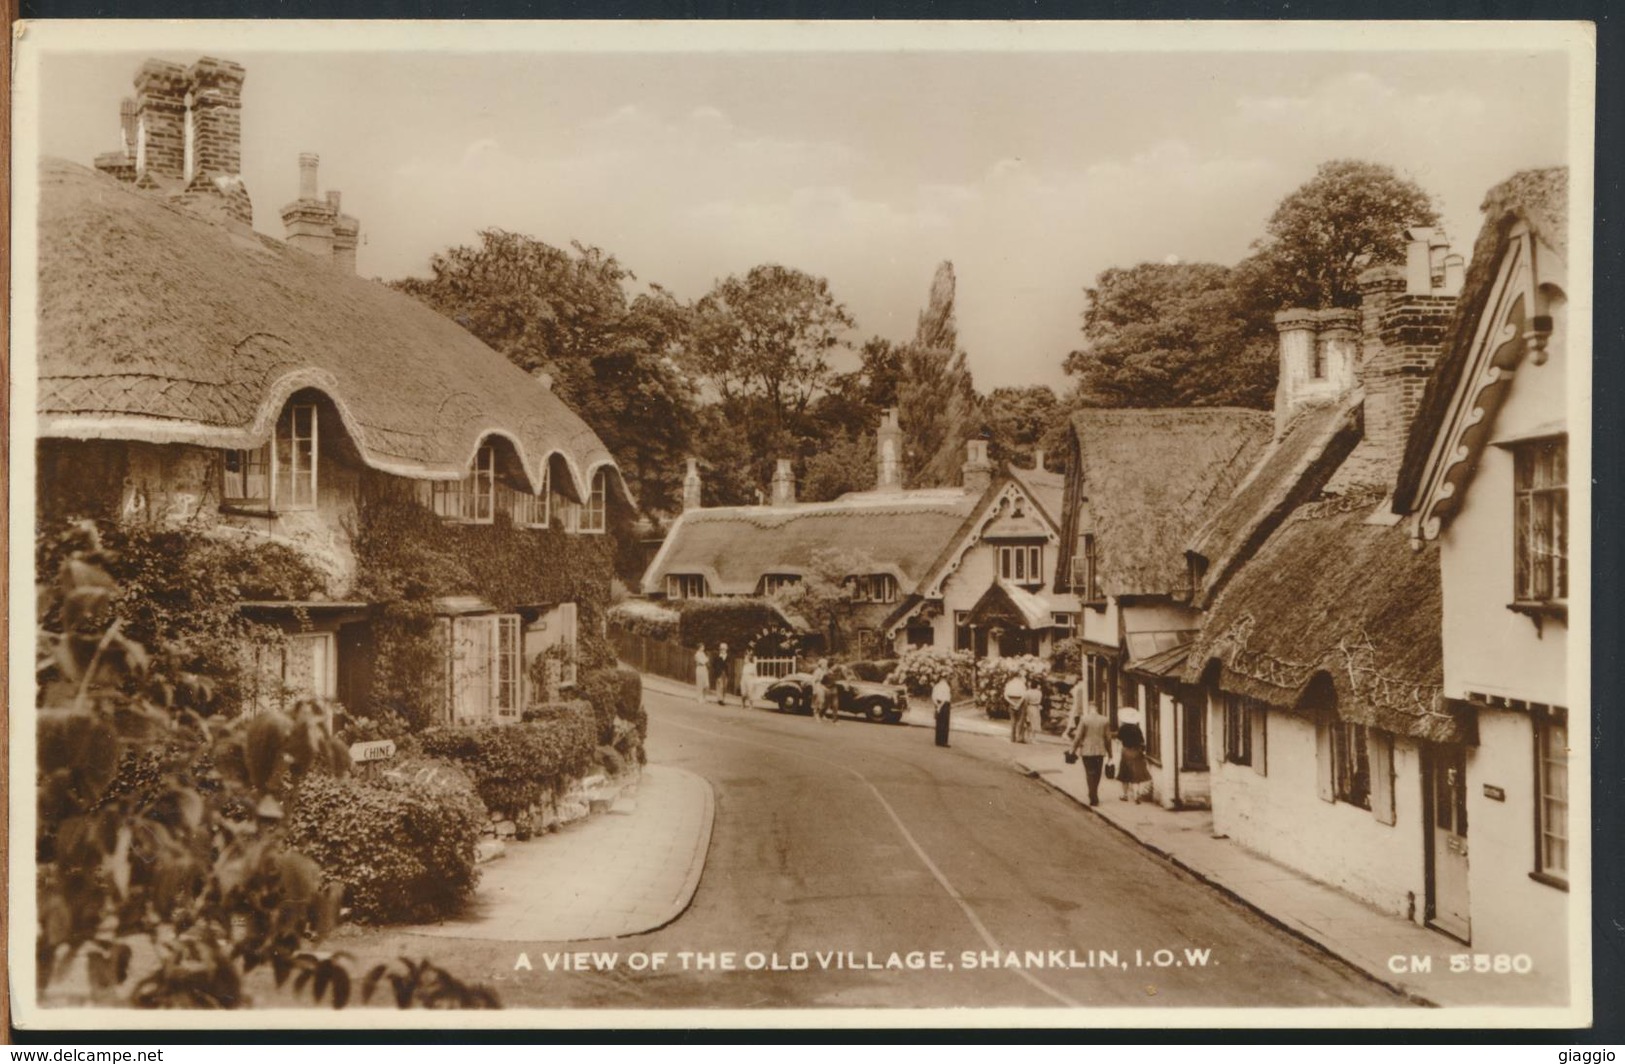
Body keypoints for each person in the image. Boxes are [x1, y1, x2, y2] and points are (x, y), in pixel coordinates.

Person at [1069, 696, 1112, 806]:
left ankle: (1092, 795)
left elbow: (1078, 736)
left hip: (1087, 751)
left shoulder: (1085, 719)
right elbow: (1108, 738)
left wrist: (1072, 750)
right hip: (1100, 751)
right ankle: (1094, 793)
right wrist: (1110, 754)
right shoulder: (1104, 720)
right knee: (1097, 773)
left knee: (1089, 773)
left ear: (1090, 708)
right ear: (1097, 708)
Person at [1114, 707, 1153, 803]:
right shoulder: (1137, 729)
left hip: (1126, 752)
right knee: (1136, 775)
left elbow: (1118, 740)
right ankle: (1136, 795)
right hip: (1136, 752)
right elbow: (1142, 741)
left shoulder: (1123, 728)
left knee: (1124, 775)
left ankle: (1125, 795)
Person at [1003, 673, 1028, 742]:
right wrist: (1018, 704)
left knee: (1013, 720)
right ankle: (1019, 737)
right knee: (1020, 720)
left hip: (1011, 700)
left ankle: (1012, 737)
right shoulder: (1021, 684)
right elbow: (1024, 695)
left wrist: (1012, 703)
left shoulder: (1009, 684)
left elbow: (1005, 696)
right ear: (1018, 676)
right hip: (1020, 701)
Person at [932, 675, 953, 748]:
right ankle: (943, 741)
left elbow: (933, 696)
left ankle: (938, 740)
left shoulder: (936, 686)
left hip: (937, 703)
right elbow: (946, 697)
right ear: (944, 679)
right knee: (944, 723)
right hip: (944, 705)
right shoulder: (946, 686)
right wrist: (941, 706)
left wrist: (937, 706)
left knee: (939, 722)